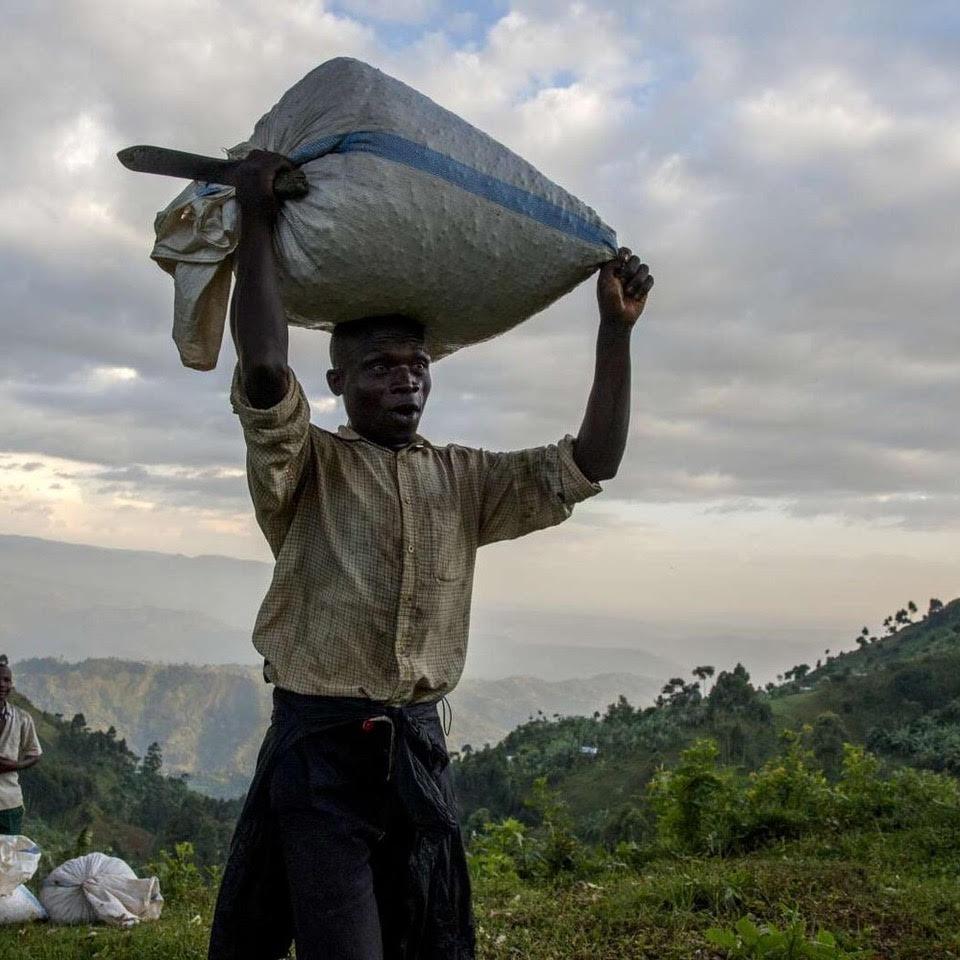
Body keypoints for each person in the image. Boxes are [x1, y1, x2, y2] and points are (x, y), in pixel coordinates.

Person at [208, 151, 654, 960]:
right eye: (382, 367)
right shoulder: (306, 465)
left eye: (418, 367)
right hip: (322, 759)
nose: (408, 381)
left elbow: (592, 461)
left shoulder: (464, 480)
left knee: (428, 941)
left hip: (415, 756)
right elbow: (267, 367)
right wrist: (259, 219)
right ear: (339, 381)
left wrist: (613, 332)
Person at [0, 657, 42, 836]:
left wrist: (14, 765)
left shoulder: (22, 718)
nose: (2, 685)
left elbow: (35, 753)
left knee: (8, 860)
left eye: (6, 680)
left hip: (8, 804)